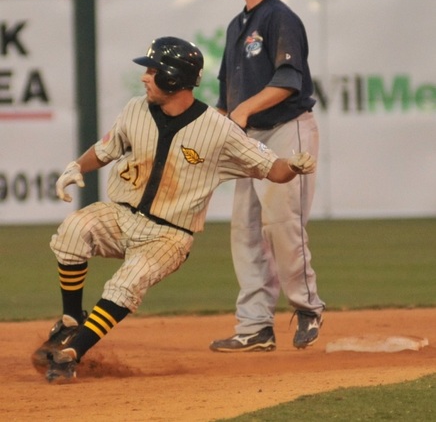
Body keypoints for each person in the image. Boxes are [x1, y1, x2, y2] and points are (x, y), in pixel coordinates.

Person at [32, 36, 316, 382]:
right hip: (122, 215)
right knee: (74, 230)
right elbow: (106, 148)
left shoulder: (218, 130)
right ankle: (70, 321)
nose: (144, 77)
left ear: (173, 78)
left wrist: (293, 166)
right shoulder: (136, 109)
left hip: (169, 235)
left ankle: (72, 352)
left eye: (152, 70)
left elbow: (272, 168)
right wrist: (76, 166)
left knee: (125, 285)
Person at [209, 0, 325, 353]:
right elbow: (226, 101)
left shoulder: (280, 18)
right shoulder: (236, 25)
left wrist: (242, 112)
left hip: (286, 130)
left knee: (282, 226)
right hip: (249, 139)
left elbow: (288, 81)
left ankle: (307, 306)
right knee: (244, 231)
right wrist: (210, 129)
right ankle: (256, 325)